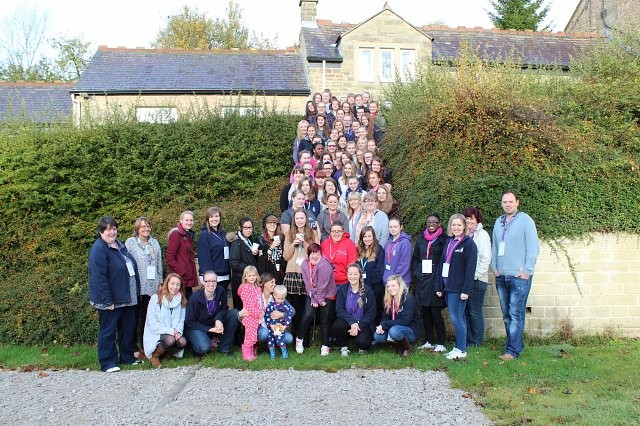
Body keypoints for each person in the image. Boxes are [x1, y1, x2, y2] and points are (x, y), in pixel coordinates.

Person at [491, 191, 540, 361]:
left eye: (511, 201)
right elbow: (496, 247)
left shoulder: (526, 221)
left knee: (515, 314)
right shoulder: (498, 222)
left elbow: (533, 248)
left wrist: (527, 270)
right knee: (506, 314)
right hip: (501, 276)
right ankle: (516, 345)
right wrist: (494, 266)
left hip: (519, 276)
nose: (507, 204)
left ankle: (512, 351)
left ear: (517, 202)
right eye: (504, 202)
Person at [88, 216, 141, 372]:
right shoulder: (99, 249)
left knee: (127, 329)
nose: (112, 232)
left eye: (114, 229)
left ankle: (127, 357)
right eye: (108, 229)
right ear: (100, 232)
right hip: (112, 300)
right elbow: (99, 277)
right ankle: (108, 362)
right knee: (108, 331)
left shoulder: (120, 246)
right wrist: (107, 300)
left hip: (128, 298)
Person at [435, 214, 478, 360]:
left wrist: (466, 290)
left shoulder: (469, 244)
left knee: (456, 318)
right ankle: (458, 347)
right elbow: (442, 265)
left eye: (459, 225)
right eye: (453, 225)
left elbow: (470, 270)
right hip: (448, 288)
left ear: (464, 226)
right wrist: (439, 286)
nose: (456, 228)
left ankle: (461, 349)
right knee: (458, 318)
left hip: (458, 289)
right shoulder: (449, 242)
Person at [125, 216, 163, 359]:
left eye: (148, 226)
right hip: (136, 287)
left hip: (152, 287)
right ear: (137, 229)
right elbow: (126, 262)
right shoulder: (131, 243)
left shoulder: (154, 243)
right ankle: (133, 348)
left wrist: (160, 281)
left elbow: (159, 263)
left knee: (148, 318)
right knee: (134, 319)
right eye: (143, 227)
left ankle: (146, 347)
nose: (146, 229)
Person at [411, 214, 447, 353]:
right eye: (429, 221)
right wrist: (416, 273)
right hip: (422, 281)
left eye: (434, 222)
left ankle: (441, 342)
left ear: (439, 224)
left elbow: (445, 260)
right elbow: (415, 259)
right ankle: (429, 341)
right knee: (425, 312)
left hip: (436, 280)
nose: (431, 223)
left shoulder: (443, 240)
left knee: (435, 312)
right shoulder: (421, 239)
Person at [282, 209, 319, 340]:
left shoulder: (313, 233)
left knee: (306, 310)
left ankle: (305, 339)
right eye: (297, 218)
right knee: (295, 309)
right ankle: (295, 336)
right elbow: (286, 256)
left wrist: (304, 243)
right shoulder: (289, 235)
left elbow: (316, 254)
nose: (299, 220)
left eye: (302, 218)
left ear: (306, 219)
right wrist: (293, 244)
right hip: (292, 274)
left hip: (307, 273)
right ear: (294, 220)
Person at [184, 270, 239, 356]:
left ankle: (224, 347)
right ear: (203, 282)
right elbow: (189, 322)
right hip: (197, 327)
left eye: (213, 281)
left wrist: (218, 319)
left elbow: (224, 309)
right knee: (204, 347)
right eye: (208, 281)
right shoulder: (194, 298)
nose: (211, 284)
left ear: (217, 281)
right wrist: (208, 329)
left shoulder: (220, 291)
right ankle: (197, 345)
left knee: (235, 313)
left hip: (213, 323)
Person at [296, 243, 336, 356]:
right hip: (312, 293)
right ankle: (299, 339)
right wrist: (314, 298)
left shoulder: (324, 265)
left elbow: (323, 285)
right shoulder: (305, 264)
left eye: (317, 253)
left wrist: (319, 299)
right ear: (309, 254)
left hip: (327, 293)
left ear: (320, 254)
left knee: (325, 319)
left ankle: (325, 345)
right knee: (308, 315)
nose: (314, 256)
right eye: (312, 253)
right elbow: (308, 284)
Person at [461, 207, 492, 347]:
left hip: (478, 280)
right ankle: (468, 340)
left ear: (477, 219)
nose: (469, 221)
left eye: (471, 218)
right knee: (466, 311)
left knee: (474, 311)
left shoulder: (482, 235)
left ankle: (476, 341)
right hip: (466, 280)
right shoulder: (465, 235)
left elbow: (485, 259)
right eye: (466, 218)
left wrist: (475, 276)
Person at [143, 273, 187, 368]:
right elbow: (152, 324)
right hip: (157, 332)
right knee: (170, 339)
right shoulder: (156, 298)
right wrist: (171, 331)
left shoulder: (181, 300)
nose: (175, 287)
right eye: (172, 283)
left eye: (178, 284)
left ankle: (168, 354)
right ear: (167, 283)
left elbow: (181, 320)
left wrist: (178, 331)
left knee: (182, 341)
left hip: (173, 331)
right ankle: (154, 357)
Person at [332, 264, 376, 356]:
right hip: (347, 324)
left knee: (363, 343)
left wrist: (358, 325)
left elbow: (371, 314)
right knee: (338, 325)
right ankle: (343, 347)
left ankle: (361, 344)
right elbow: (339, 310)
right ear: (347, 275)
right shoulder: (342, 290)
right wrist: (352, 322)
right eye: (350, 274)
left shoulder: (368, 291)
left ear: (360, 275)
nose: (353, 277)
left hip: (362, 325)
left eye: (355, 274)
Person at [373, 275, 422, 357]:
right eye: (388, 286)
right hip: (394, 327)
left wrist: (385, 325)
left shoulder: (408, 299)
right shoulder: (389, 299)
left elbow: (405, 321)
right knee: (377, 336)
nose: (390, 288)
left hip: (410, 330)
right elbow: (385, 317)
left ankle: (407, 348)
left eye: (393, 285)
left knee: (394, 331)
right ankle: (396, 345)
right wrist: (381, 326)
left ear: (400, 286)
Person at [197, 207, 231, 295]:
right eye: (211, 217)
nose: (214, 219)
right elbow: (204, 257)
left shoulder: (223, 233)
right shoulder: (204, 235)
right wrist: (208, 277)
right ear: (207, 219)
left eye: (216, 216)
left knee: (223, 303)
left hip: (225, 275)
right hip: (213, 277)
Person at [229, 217, 260, 310]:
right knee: (241, 308)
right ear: (240, 228)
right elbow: (233, 262)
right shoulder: (236, 242)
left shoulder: (251, 241)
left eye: (250, 228)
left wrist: (256, 255)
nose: (248, 230)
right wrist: (248, 269)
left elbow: (251, 259)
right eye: (245, 228)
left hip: (249, 280)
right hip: (239, 280)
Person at [257, 272, 294, 348]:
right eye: (272, 282)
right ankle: (257, 345)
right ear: (264, 284)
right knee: (264, 333)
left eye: (275, 282)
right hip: (262, 326)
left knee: (289, 338)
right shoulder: (258, 296)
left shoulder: (276, 296)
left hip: (276, 326)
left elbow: (293, 311)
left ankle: (275, 343)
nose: (275, 284)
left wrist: (282, 315)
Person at [357, 226, 386, 323]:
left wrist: (368, 285)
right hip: (361, 287)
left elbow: (379, 270)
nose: (367, 239)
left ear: (373, 237)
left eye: (369, 236)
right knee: (364, 310)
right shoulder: (358, 249)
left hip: (375, 287)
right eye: (364, 236)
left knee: (376, 311)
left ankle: (377, 331)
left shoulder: (379, 249)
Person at [166, 211, 198, 298]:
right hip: (180, 279)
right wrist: (183, 271)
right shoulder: (176, 234)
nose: (189, 222)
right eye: (186, 220)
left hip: (187, 278)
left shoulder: (188, 234)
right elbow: (170, 258)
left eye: (191, 220)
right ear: (181, 220)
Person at [237, 265, 263, 361]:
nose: (252, 278)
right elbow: (249, 305)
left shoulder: (257, 287)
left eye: (254, 275)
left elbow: (261, 300)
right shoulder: (245, 288)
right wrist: (257, 314)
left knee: (253, 336)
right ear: (245, 277)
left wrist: (263, 310)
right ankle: (246, 355)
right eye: (249, 276)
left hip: (258, 315)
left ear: (257, 276)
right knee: (249, 336)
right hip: (249, 316)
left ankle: (251, 353)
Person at [320, 221, 357, 287]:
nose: (336, 233)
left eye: (339, 231)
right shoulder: (324, 244)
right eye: (333, 231)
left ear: (343, 232)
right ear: (330, 232)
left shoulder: (349, 244)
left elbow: (351, 264)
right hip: (327, 283)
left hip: (343, 283)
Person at [264, 285, 294, 359]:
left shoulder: (286, 306)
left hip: (280, 327)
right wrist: (270, 325)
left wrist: (285, 326)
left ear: (285, 296)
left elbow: (289, 316)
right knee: (270, 340)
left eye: (282, 299)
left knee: (280, 339)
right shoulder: (271, 305)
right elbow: (267, 316)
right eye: (278, 298)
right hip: (271, 327)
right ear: (274, 295)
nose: (280, 300)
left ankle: (284, 352)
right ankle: (272, 354)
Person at [383, 217, 412, 286]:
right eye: (390, 227)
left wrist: (394, 279)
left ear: (401, 227)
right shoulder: (388, 243)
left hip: (400, 281)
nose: (393, 229)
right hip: (388, 281)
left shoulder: (405, 243)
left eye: (395, 227)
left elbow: (404, 264)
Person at [257, 213, 285, 285]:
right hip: (268, 270)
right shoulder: (261, 239)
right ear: (265, 225)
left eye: (274, 223)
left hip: (280, 270)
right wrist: (272, 247)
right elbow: (261, 259)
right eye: (270, 223)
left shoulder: (282, 237)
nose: (272, 225)